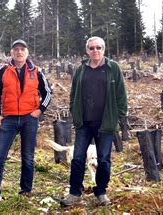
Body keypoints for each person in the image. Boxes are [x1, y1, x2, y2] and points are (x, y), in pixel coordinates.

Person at [0, 39, 53, 211]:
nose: (19, 52)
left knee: (28, 158)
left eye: (22, 49)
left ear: (27, 52)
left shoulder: (36, 71)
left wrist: (39, 110)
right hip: (9, 119)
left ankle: (26, 192)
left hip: (29, 119)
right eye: (16, 50)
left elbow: (48, 93)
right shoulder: (4, 71)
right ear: (11, 53)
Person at [60, 36, 127, 206]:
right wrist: (75, 113)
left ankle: (101, 191)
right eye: (92, 48)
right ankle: (75, 192)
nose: (95, 51)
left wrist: (118, 116)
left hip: (105, 123)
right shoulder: (81, 69)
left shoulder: (113, 68)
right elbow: (73, 93)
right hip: (84, 123)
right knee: (77, 158)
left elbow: (121, 94)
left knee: (104, 159)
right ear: (87, 50)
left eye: (98, 47)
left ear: (103, 50)